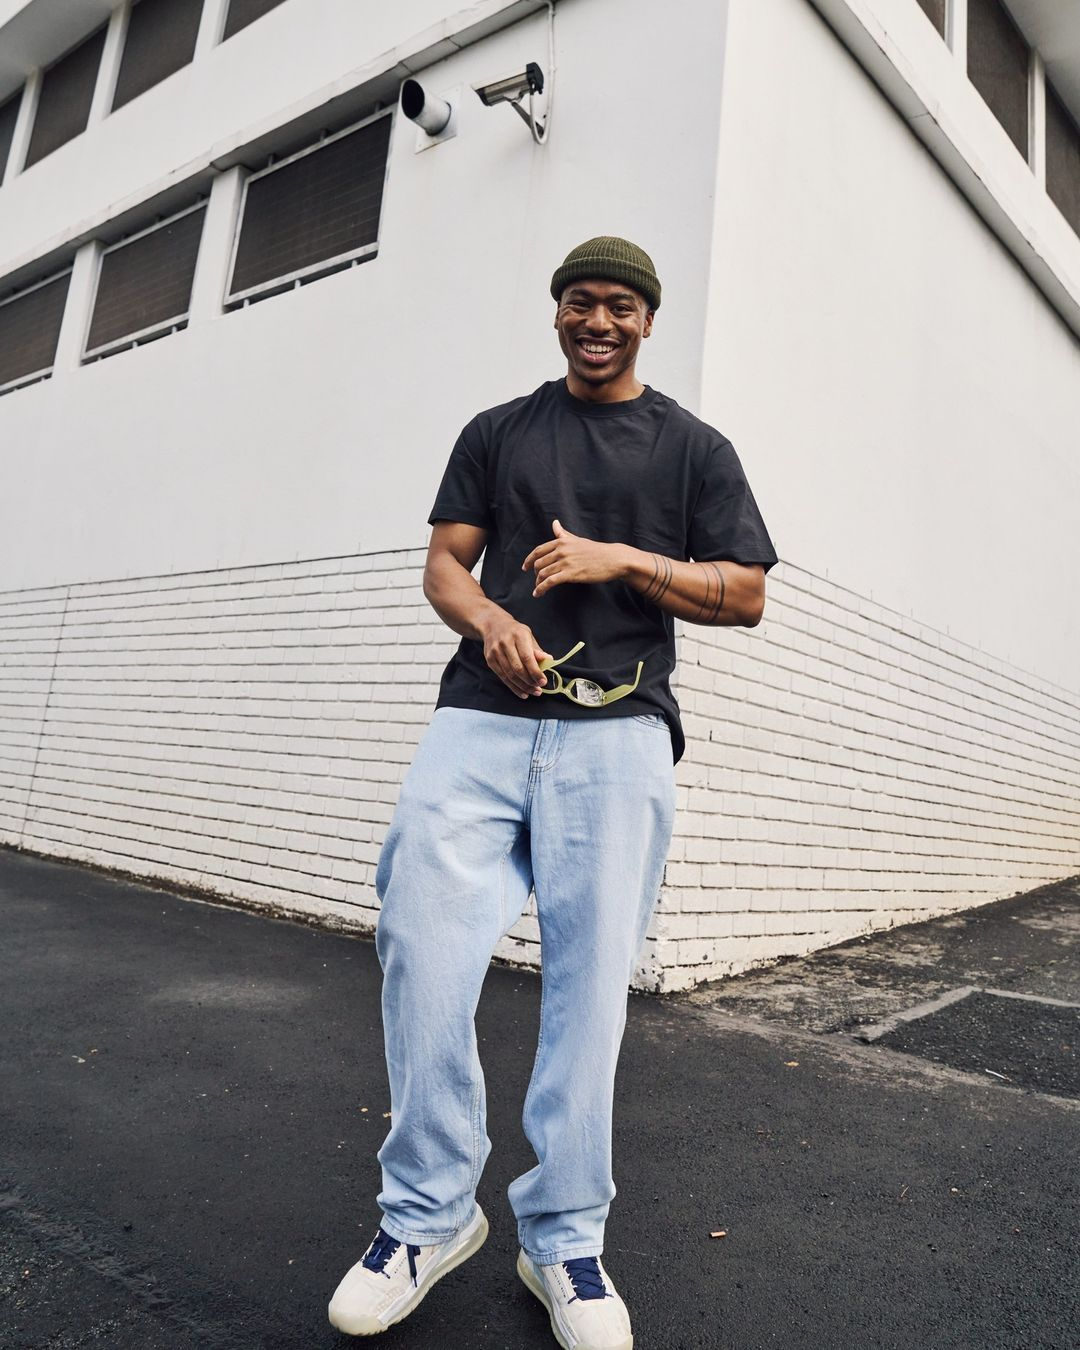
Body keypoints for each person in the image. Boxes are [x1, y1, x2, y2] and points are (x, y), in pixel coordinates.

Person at [328, 236, 778, 1349]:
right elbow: (446, 562)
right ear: (559, 311)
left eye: (621, 305)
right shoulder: (499, 431)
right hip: (480, 722)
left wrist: (624, 561)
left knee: (589, 991)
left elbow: (745, 593)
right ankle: (428, 1217)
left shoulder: (694, 449)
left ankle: (564, 1238)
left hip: (619, 733)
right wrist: (490, 619)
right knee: (421, 947)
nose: (599, 321)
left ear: (648, 320)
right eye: (582, 301)